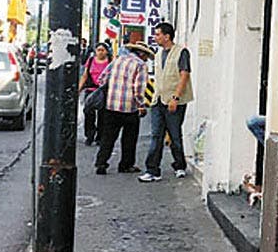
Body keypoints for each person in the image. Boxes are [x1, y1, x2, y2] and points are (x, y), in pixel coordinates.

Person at [139, 22, 194, 182]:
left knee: (174, 135)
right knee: (156, 135)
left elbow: (184, 75)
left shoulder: (181, 52)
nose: (155, 37)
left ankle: (179, 165)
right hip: (158, 100)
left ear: (167, 36)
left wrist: (175, 97)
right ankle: (152, 170)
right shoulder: (158, 54)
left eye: (158, 34)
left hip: (174, 100)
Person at [94, 42, 153, 175]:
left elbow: (102, 79)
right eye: (146, 56)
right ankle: (126, 165)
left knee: (108, 137)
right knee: (129, 139)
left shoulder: (118, 60)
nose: (146, 59)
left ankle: (101, 163)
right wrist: (141, 105)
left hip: (111, 105)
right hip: (129, 107)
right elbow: (138, 89)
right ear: (142, 54)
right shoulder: (140, 65)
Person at [78, 42, 112, 145]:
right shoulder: (91, 60)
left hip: (104, 91)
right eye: (98, 50)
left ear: (106, 52)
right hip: (91, 90)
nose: (100, 52)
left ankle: (100, 137)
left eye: (103, 50)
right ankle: (90, 135)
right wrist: (79, 89)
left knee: (103, 115)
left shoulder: (110, 61)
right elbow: (85, 75)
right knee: (88, 112)